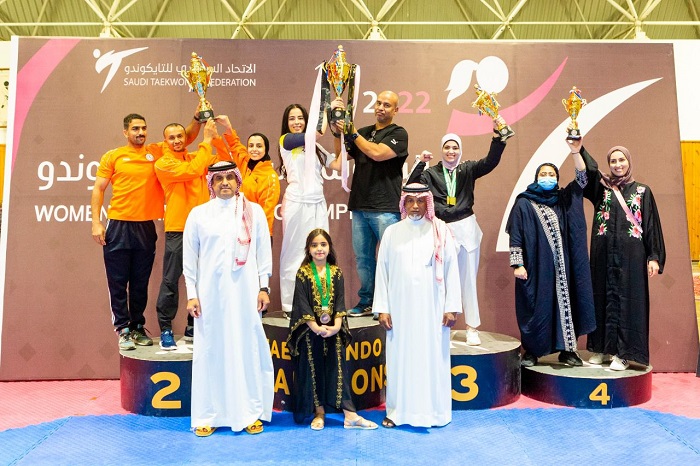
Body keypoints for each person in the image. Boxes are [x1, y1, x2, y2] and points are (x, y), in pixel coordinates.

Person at [183, 160, 274, 437]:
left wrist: (264, 287)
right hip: (209, 297)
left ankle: (249, 412)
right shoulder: (198, 214)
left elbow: (263, 252)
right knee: (211, 350)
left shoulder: (253, 211)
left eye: (229, 178)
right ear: (211, 183)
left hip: (246, 293)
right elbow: (190, 259)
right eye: (219, 178)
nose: (225, 183)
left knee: (246, 348)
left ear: (237, 181)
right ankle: (208, 415)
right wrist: (191, 295)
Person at [408, 119, 508, 345]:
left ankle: (472, 327)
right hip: (441, 229)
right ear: (441, 149)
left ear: (460, 150)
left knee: (468, 280)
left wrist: (498, 138)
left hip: (466, 227)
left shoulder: (468, 169)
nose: (451, 151)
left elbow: (490, 162)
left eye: (455, 147)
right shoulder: (431, 173)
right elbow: (412, 185)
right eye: (447, 147)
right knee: (440, 279)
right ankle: (440, 325)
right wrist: (420, 163)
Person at [573, 138, 666, 370]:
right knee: (601, 298)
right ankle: (600, 349)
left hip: (631, 258)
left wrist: (654, 257)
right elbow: (589, 172)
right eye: (613, 161)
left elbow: (651, 225)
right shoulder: (601, 189)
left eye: (621, 160)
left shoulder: (642, 191)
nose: (617, 165)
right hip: (603, 255)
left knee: (629, 303)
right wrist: (578, 150)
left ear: (629, 162)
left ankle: (623, 355)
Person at [374, 183, 461, 428]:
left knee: (432, 358)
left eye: (420, 201)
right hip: (399, 310)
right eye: (410, 201)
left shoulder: (440, 231)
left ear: (427, 203)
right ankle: (397, 412)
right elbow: (382, 271)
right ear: (403, 203)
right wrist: (382, 308)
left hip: (433, 309)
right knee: (400, 359)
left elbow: (452, 269)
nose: (415, 206)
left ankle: (435, 413)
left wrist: (451, 306)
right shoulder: (392, 232)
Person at [506, 147, 596, 367]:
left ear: (557, 177)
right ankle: (532, 352)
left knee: (567, 305)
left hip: (564, 268)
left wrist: (575, 152)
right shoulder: (524, 202)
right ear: (536, 177)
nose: (547, 177)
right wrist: (517, 264)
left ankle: (567, 351)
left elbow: (582, 178)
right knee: (536, 308)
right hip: (537, 267)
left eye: (551, 174)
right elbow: (516, 233)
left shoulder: (563, 199)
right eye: (543, 174)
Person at [287, 228, 378, 431]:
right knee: (314, 371)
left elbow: (339, 302)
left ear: (329, 247)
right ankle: (319, 412)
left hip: (333, 331)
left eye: (323, 244)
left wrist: (336, 327)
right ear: (308, 249)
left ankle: (350, 415)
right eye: (314, 245)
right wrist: (315, 326)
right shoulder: (303, 273)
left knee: (338, 371)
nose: (319, 249)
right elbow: (301, 303)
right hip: (310, 332)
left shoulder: (336, 272)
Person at [91, 113, 166, 350]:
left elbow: (186, 137)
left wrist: (197, 118)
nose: (140, 132)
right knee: (118, 282)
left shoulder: (156, 152)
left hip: (145, 226)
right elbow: (99, 188)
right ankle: (123, 329)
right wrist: (96, 222)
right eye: (135, 129)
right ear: (126, 132)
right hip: (118, 225)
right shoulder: (113, 156)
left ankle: (137, 327)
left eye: (143, 128)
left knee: (140, 283)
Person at [333, 91, 409, 317]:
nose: (381, 107)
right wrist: (338, 132)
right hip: (360, 206)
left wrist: (351, 131)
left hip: (386, 208)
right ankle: (367, 300)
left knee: (389, 259)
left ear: (395, 110)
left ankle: (388, 305)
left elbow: (376, 153)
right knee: (363, 260)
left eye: (387, 105)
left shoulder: (398, 133)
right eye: (378, 103)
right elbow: (340, 161)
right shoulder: (364, 132)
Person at [153, 118, 222, 350]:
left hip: (204, 229)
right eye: (171, 137)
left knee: (203, 279)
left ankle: (194, 326)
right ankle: (166, 329)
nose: (176, 140)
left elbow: (225, 160)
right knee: (171, 280)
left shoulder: (197, 156)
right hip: (178, 229)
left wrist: (216, 136)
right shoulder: (163, 164)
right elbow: (194, 171)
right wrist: (207, 140)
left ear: (186, 138)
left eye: (180, 136)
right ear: (165, 141)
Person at [278, 104, 341, 316]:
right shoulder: (286, 141)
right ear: (286, 123)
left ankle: (321, 302)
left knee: (321, 251)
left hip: (318, 203)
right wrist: (328, 110)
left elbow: (339, 165)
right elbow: (316, 133)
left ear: (306, 120)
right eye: (292, 118)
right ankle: (290, 305)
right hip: (296, 203)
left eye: (300, 118)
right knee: (294, 253)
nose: (297, 122)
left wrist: (338, 134)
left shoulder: (316, 147)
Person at [216, 115, 280, 240]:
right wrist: (228, 126)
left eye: (259, 146)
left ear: (266, 149)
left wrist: (260, 237)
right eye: (251, 146)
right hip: (239, 230)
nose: (254, 149)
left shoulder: (269, 176)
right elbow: (235, 145)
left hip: (258, 234)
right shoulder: (245, 163)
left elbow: (266, 212)